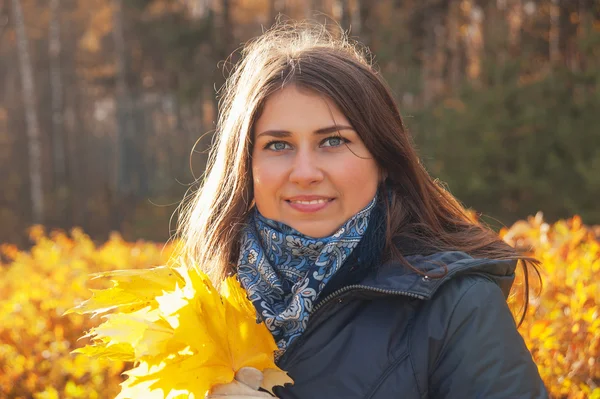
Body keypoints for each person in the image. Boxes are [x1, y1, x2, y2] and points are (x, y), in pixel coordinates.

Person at [177, 21, 548, 399]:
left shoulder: (457, 308)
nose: (305, 173)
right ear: (244, 166)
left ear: (383, 158)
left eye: (333, 141)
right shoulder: (197, 308)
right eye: (278, 145)